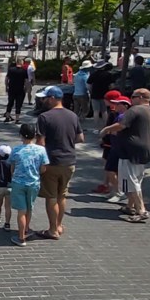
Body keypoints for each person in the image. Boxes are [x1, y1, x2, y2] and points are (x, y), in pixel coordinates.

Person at [100, 89, 150, 223]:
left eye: (133, 96)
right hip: (145, 149)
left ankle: (141, 210)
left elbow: (121, 125)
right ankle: (130, 206)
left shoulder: (134, 110)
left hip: (129, 151)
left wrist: (106, 129)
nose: (131, 99)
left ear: (141, 97)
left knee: (131, 181)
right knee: (137, 178)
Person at [35, 85, 84, 240]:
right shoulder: (73, 116)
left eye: (45, 98)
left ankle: (52, 230)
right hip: (69, 161)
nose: (43, 100)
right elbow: (80, 138)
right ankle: (59, 225)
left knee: (51, 197)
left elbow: (40, 143)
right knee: (62, 195)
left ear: (52, 98)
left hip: (52, 161)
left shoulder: (44, 117)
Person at [8, 123, 50, 247]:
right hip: (34, 182)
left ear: (20, 135)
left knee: (21, 211)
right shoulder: (41, 150)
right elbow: (43, 168)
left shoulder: (16, 150)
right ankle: (26, 229)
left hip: (18, 183)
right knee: (29, 207)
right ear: (34, 135)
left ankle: (21, 237)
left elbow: (12, 167)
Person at [0, 144, 13, 231]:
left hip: (0, 187)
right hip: (10, 186)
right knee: (8, 207)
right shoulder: (12, 162)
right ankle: (7, 223)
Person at [3, 58, 28, 124]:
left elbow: (6, 79)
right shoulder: (24, 71)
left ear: (17, 63)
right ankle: (17, 119)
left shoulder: (11, 70)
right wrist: (26, 88)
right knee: (18, 104)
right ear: (21, 63)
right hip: (20, 89)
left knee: (10, 103)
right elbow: (26, 81)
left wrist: (6, 86)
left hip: (11, 89)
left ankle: (7, 117)